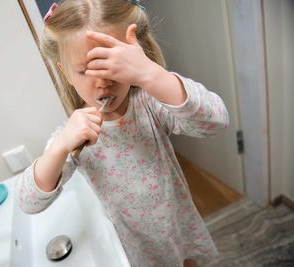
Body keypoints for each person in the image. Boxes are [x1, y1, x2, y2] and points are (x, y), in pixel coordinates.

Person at [17, 0, 228, 266]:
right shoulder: (73, 135)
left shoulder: (150, 104)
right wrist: (59, 147)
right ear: (66, 73)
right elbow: (28, 202)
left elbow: (216, 121)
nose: (103, 81)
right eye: (85, 70)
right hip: (134, 249)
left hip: (177, 227)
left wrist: (151, 74)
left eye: (113, 66)